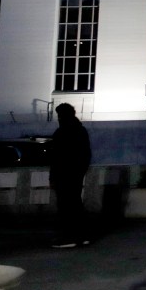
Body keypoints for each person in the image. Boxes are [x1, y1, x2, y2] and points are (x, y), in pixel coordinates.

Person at [50, 103, 92, 248]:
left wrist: (54, 176)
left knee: (66, 205)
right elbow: (85, 154)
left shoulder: (62, 132)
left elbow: (56, 157)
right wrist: (80, 171)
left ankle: (69, 237)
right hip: (75, 174)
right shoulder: (80, 130)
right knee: (75, 204)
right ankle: (82, 235)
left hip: (64, 174)